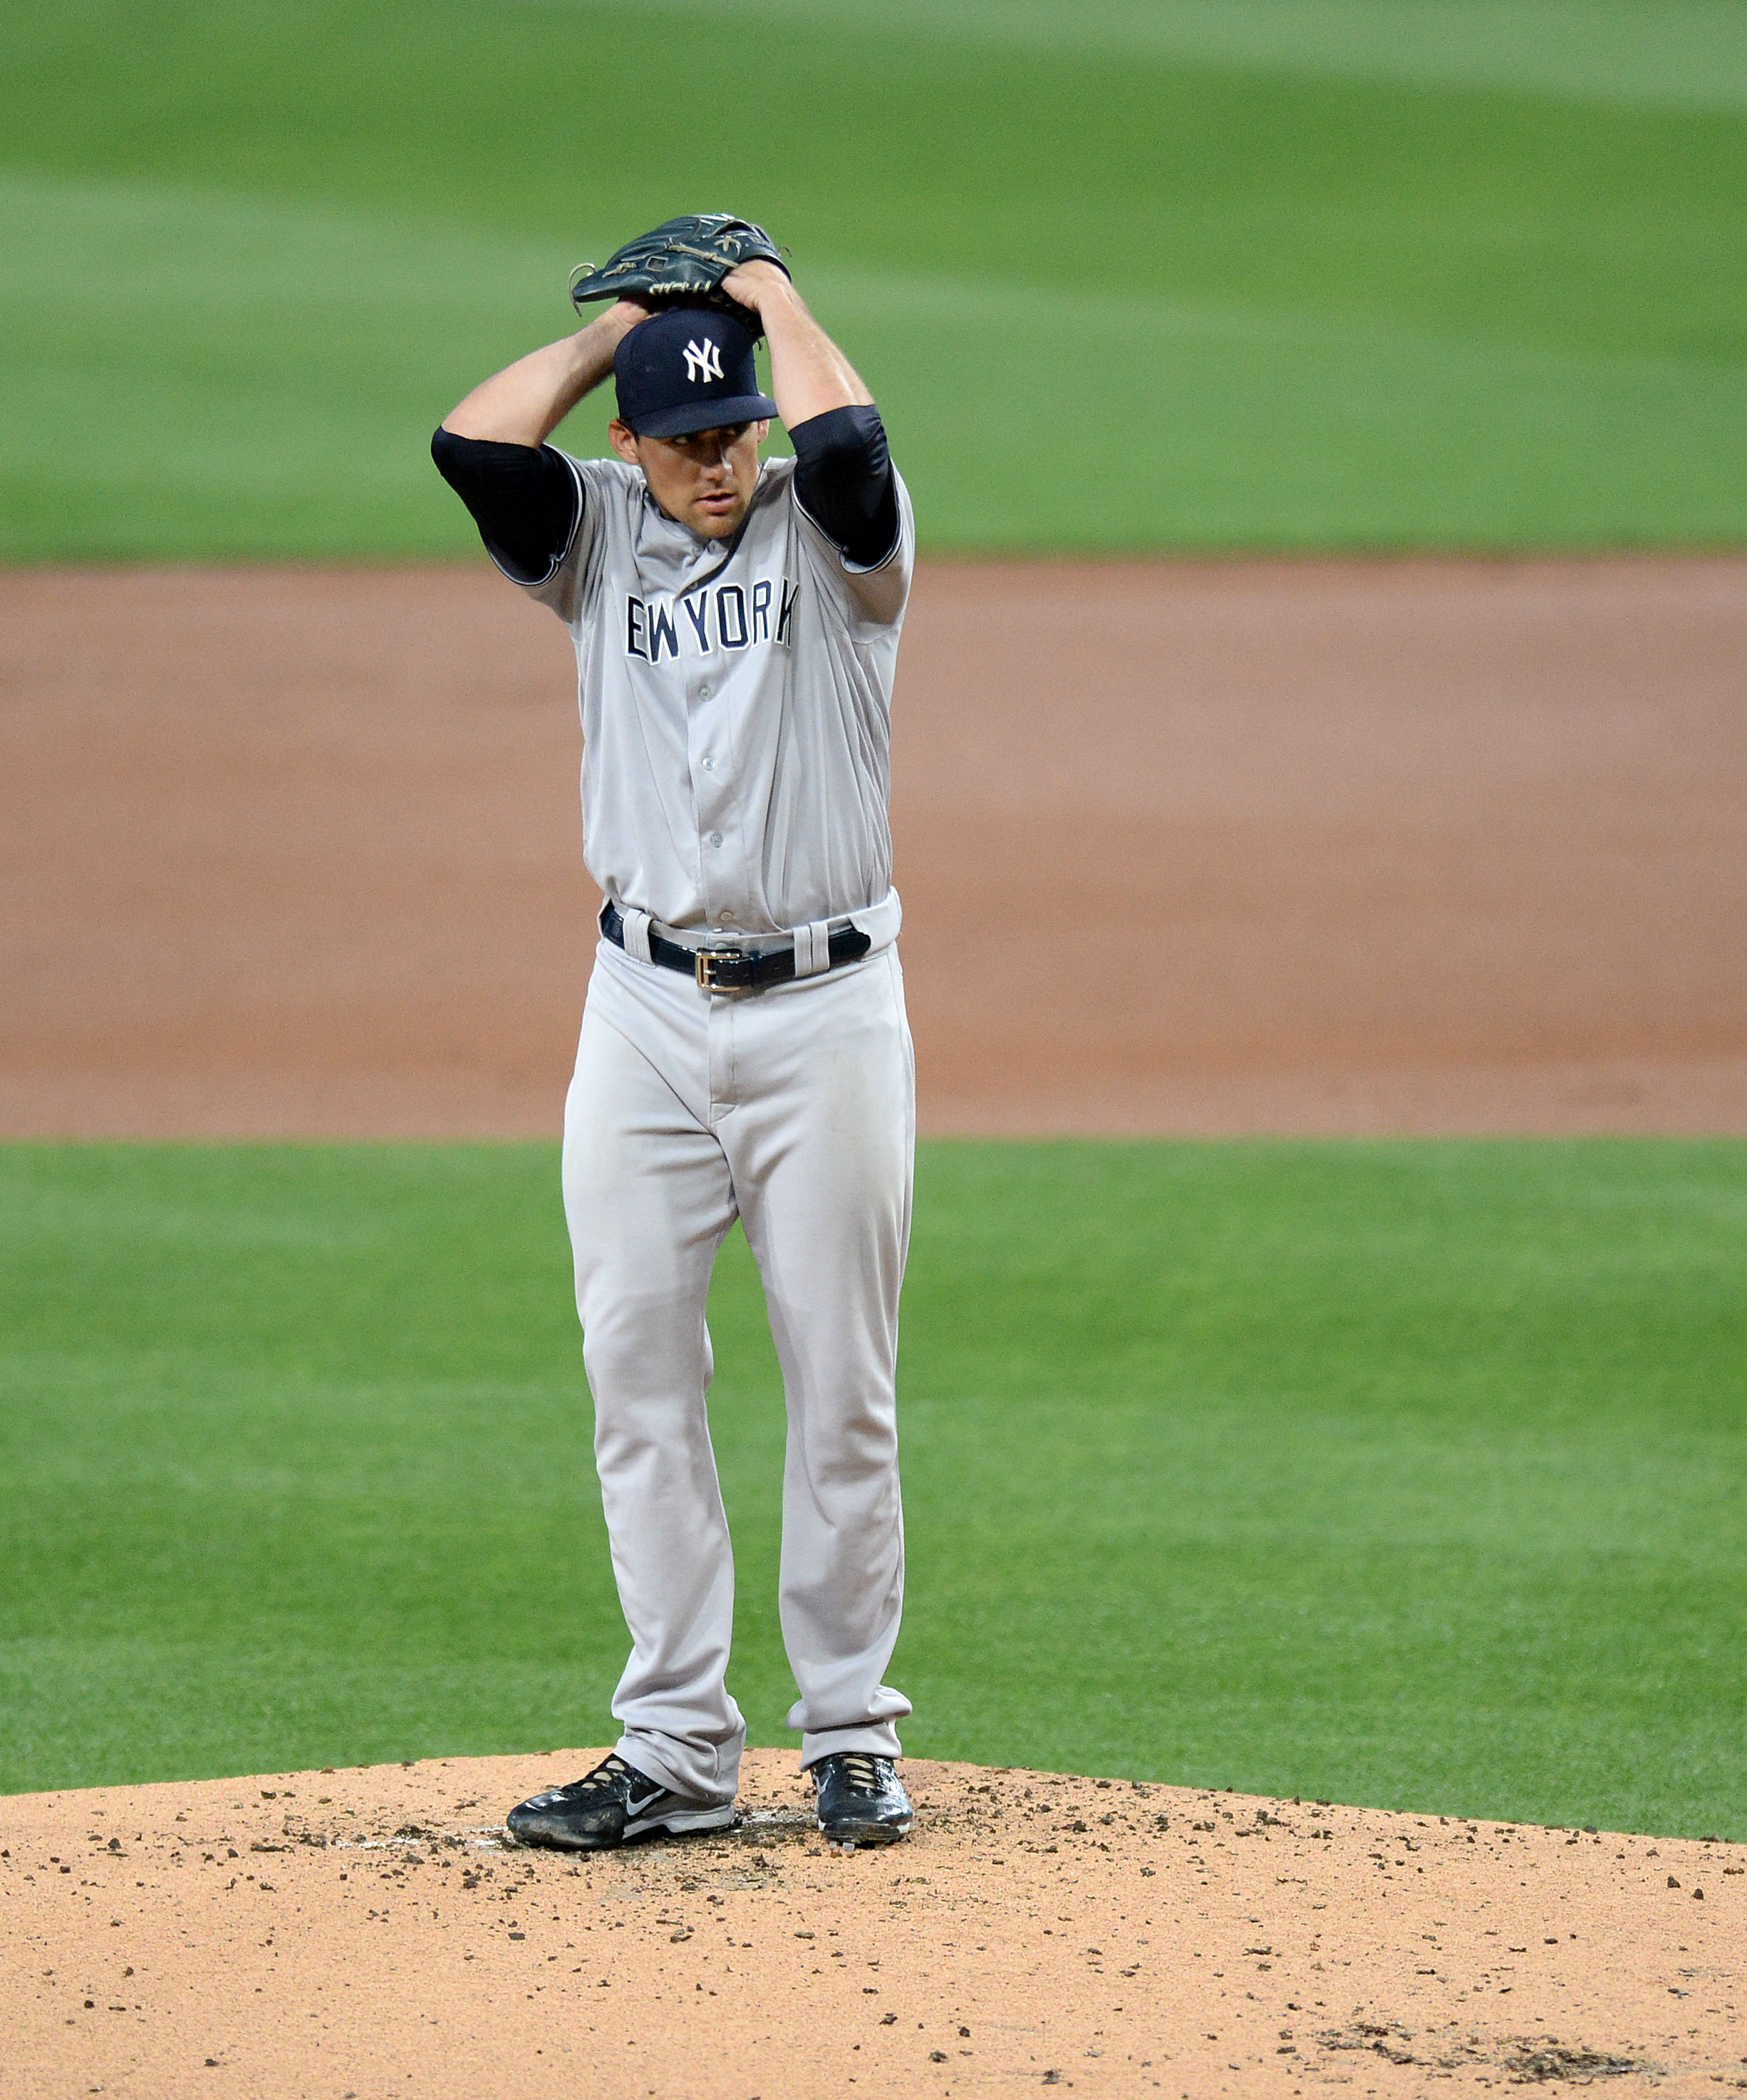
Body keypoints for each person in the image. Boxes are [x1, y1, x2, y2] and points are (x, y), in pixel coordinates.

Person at [431, 251, 917, 1851]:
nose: (720, 463)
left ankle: (849, 1728)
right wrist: (603, 346)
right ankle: (675, 1744)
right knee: (635, 1370)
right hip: (639, 1014)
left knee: (838, 1387)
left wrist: (770, 296)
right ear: (632, 445)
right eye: (685, 438)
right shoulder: (594, 539)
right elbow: (471, 448)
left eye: (735, 434)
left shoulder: (839, 540)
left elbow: (844, 447)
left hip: (825, 1011)